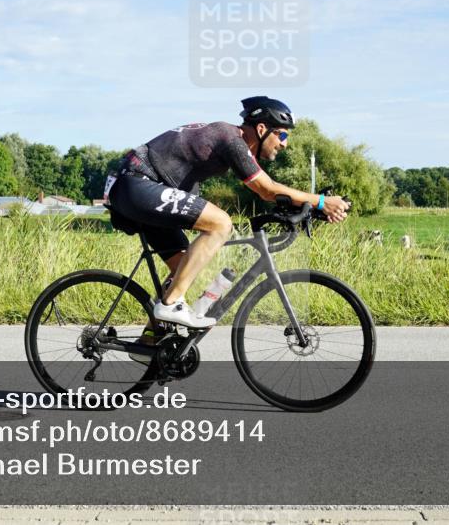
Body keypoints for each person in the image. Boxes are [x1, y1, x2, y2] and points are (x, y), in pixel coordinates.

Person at [104, 96, 351, 349]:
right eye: (283, 136)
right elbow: (266, 189)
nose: (284, 145)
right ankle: (170, 305)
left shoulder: (231, 141)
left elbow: (272, 193)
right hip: (136, 183)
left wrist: (308, 208)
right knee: (221, 223)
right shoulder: (231, 139)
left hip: (139, 187)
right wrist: (320, 201)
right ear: (262, 129)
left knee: (185, 268)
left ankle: (151, 342)